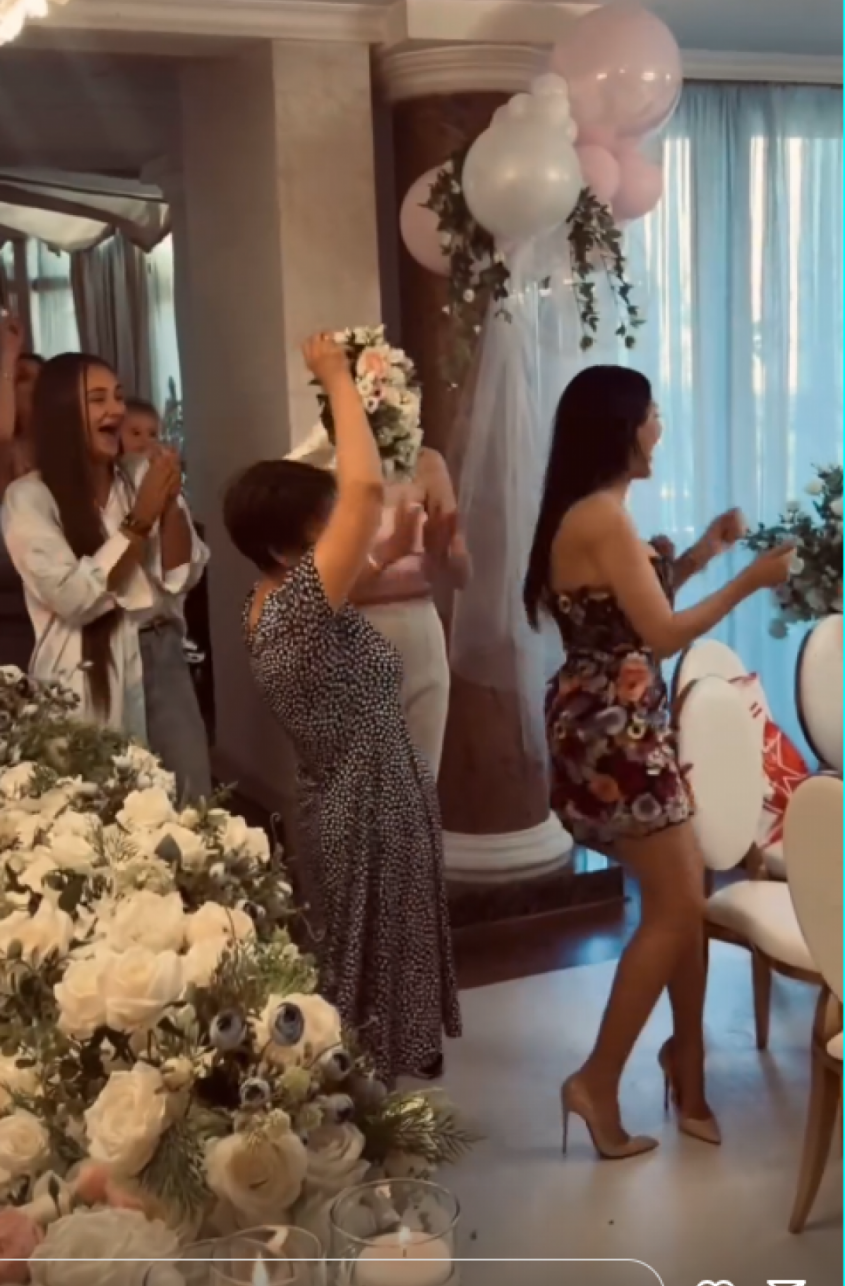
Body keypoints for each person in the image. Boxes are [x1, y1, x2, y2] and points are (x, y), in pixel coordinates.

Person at [523, 365, 795, 1159]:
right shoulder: (601, 516)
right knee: (677, 909)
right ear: (621, 429)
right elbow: (663, 634)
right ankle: (597, 1081)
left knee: (682, 898)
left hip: (618, 724)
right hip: (614, 737)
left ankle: (688, 1065)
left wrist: (706, 550)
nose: (659, 425)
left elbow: (630, 606)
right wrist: (750, 580)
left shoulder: (596, 513)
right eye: (650, 413)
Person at [225, 333, 461, 1084]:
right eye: (329, 524)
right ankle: (366, 1106)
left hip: (363, 791)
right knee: (366, 974)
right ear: (291, 544)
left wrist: (393, 552)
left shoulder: (276, 598)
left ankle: (379, 1090)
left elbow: (356, 558)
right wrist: (337, 378)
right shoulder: (295, 606)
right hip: (363, 804)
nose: (348, 528)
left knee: (375, 961)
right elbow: (362, 490)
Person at [1, 353, 212, 805]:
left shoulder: (139, 475)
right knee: (102, 809)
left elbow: (181, 577)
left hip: (162, 654)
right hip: (86, 669)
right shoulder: (29, 498)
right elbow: (75, 597)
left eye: (117, 396)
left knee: (190, 804)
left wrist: (169, 503)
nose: (116, 409)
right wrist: (140, 518)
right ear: (61, 413)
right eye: (97, 399)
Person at [287, 424, 470, 778]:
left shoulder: (427, 462)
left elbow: (462, 576)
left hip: (421, 631)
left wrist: (444, 549)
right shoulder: (315, 470)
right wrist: (388, 554)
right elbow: (314, 593)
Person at [0, 314, 43, 502]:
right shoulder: (5, 452)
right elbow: (1, 436)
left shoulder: (70, 440)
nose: (37, 385)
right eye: (23, 378)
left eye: (43, 378)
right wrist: (9, 354)